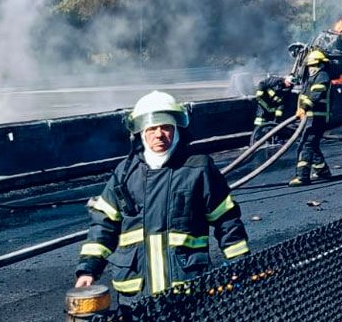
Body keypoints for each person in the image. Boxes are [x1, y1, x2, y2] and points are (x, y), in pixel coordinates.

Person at [75, 91, 250, 301]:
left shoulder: (198, 168)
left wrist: (240, 263)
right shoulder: (125, 173)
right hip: (137, 295)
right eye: (151, 128)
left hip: (186, 289)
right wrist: (88, 269)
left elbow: (226, 220)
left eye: (165, 127)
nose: (159, 134)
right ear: (141, 133)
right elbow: (103, 225)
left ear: (176, 130)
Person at [289, 49, 334, 186]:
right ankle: (323, 171)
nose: (310, 68)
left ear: (320, 64)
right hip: (310, 118)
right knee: (312, 145)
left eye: (312, 65)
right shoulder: (313, 78)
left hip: (317, 118)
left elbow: (315, 96)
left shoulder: (322, 76)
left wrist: (304, 108)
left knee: (306, 145)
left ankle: (302, 177)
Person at [250, 75, 292, 146]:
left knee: (273, 124)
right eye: (289, 83)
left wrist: (278, 115)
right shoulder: (275, 81)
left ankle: (270, 139)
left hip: (273, 106)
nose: (289, 85)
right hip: (264, 102)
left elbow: (283, 102)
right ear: (285, 80)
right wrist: (259, 93)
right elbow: (262, 84)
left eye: (291, 84)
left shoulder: (288, 89)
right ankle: (257, 138)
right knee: (260, 120)